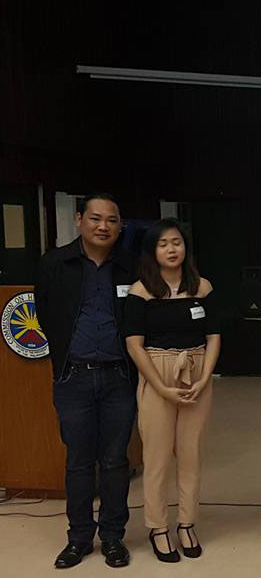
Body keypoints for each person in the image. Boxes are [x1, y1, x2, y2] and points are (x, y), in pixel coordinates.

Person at [35, 193, 136, 569]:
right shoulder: (54, 263)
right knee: (78, 463)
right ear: (80, 219)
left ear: (119, 225)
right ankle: (78, 539)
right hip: (73, 377)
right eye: (95, 218)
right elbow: (45, 314)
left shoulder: (129, 266)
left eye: (111, 220)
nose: (103, 226)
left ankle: (112, 538)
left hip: (118, 379)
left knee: (114, 461)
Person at [124, 218, 221, 562]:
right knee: (158, 457)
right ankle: (158, 527)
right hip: (157, 372)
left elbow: (213, 336)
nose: (171, 249)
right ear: (153, 250)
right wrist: (162, 388)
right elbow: (134, 345)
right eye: (163, 243)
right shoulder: (140, 291)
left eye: (176, 242)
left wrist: (205, 377)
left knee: (191, 454)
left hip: (196, 372)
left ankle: (186, 523)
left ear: (185, 247)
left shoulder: (202, 287)